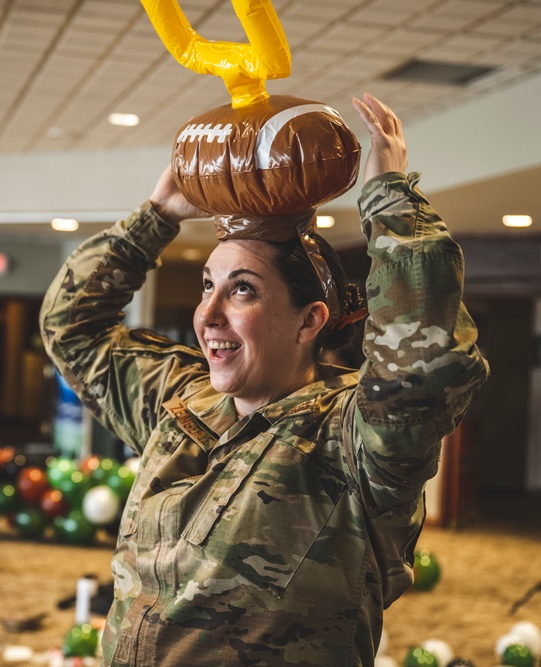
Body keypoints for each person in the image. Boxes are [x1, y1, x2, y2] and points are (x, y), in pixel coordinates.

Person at [41, 94, 489, 666]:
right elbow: (70, 330)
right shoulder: (182, 405)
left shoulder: (350, 441)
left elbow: (425, 367)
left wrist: (388, 200)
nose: (207, 314)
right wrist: (157, 216)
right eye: (208, 284)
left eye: (242, 289)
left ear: (310, 320)